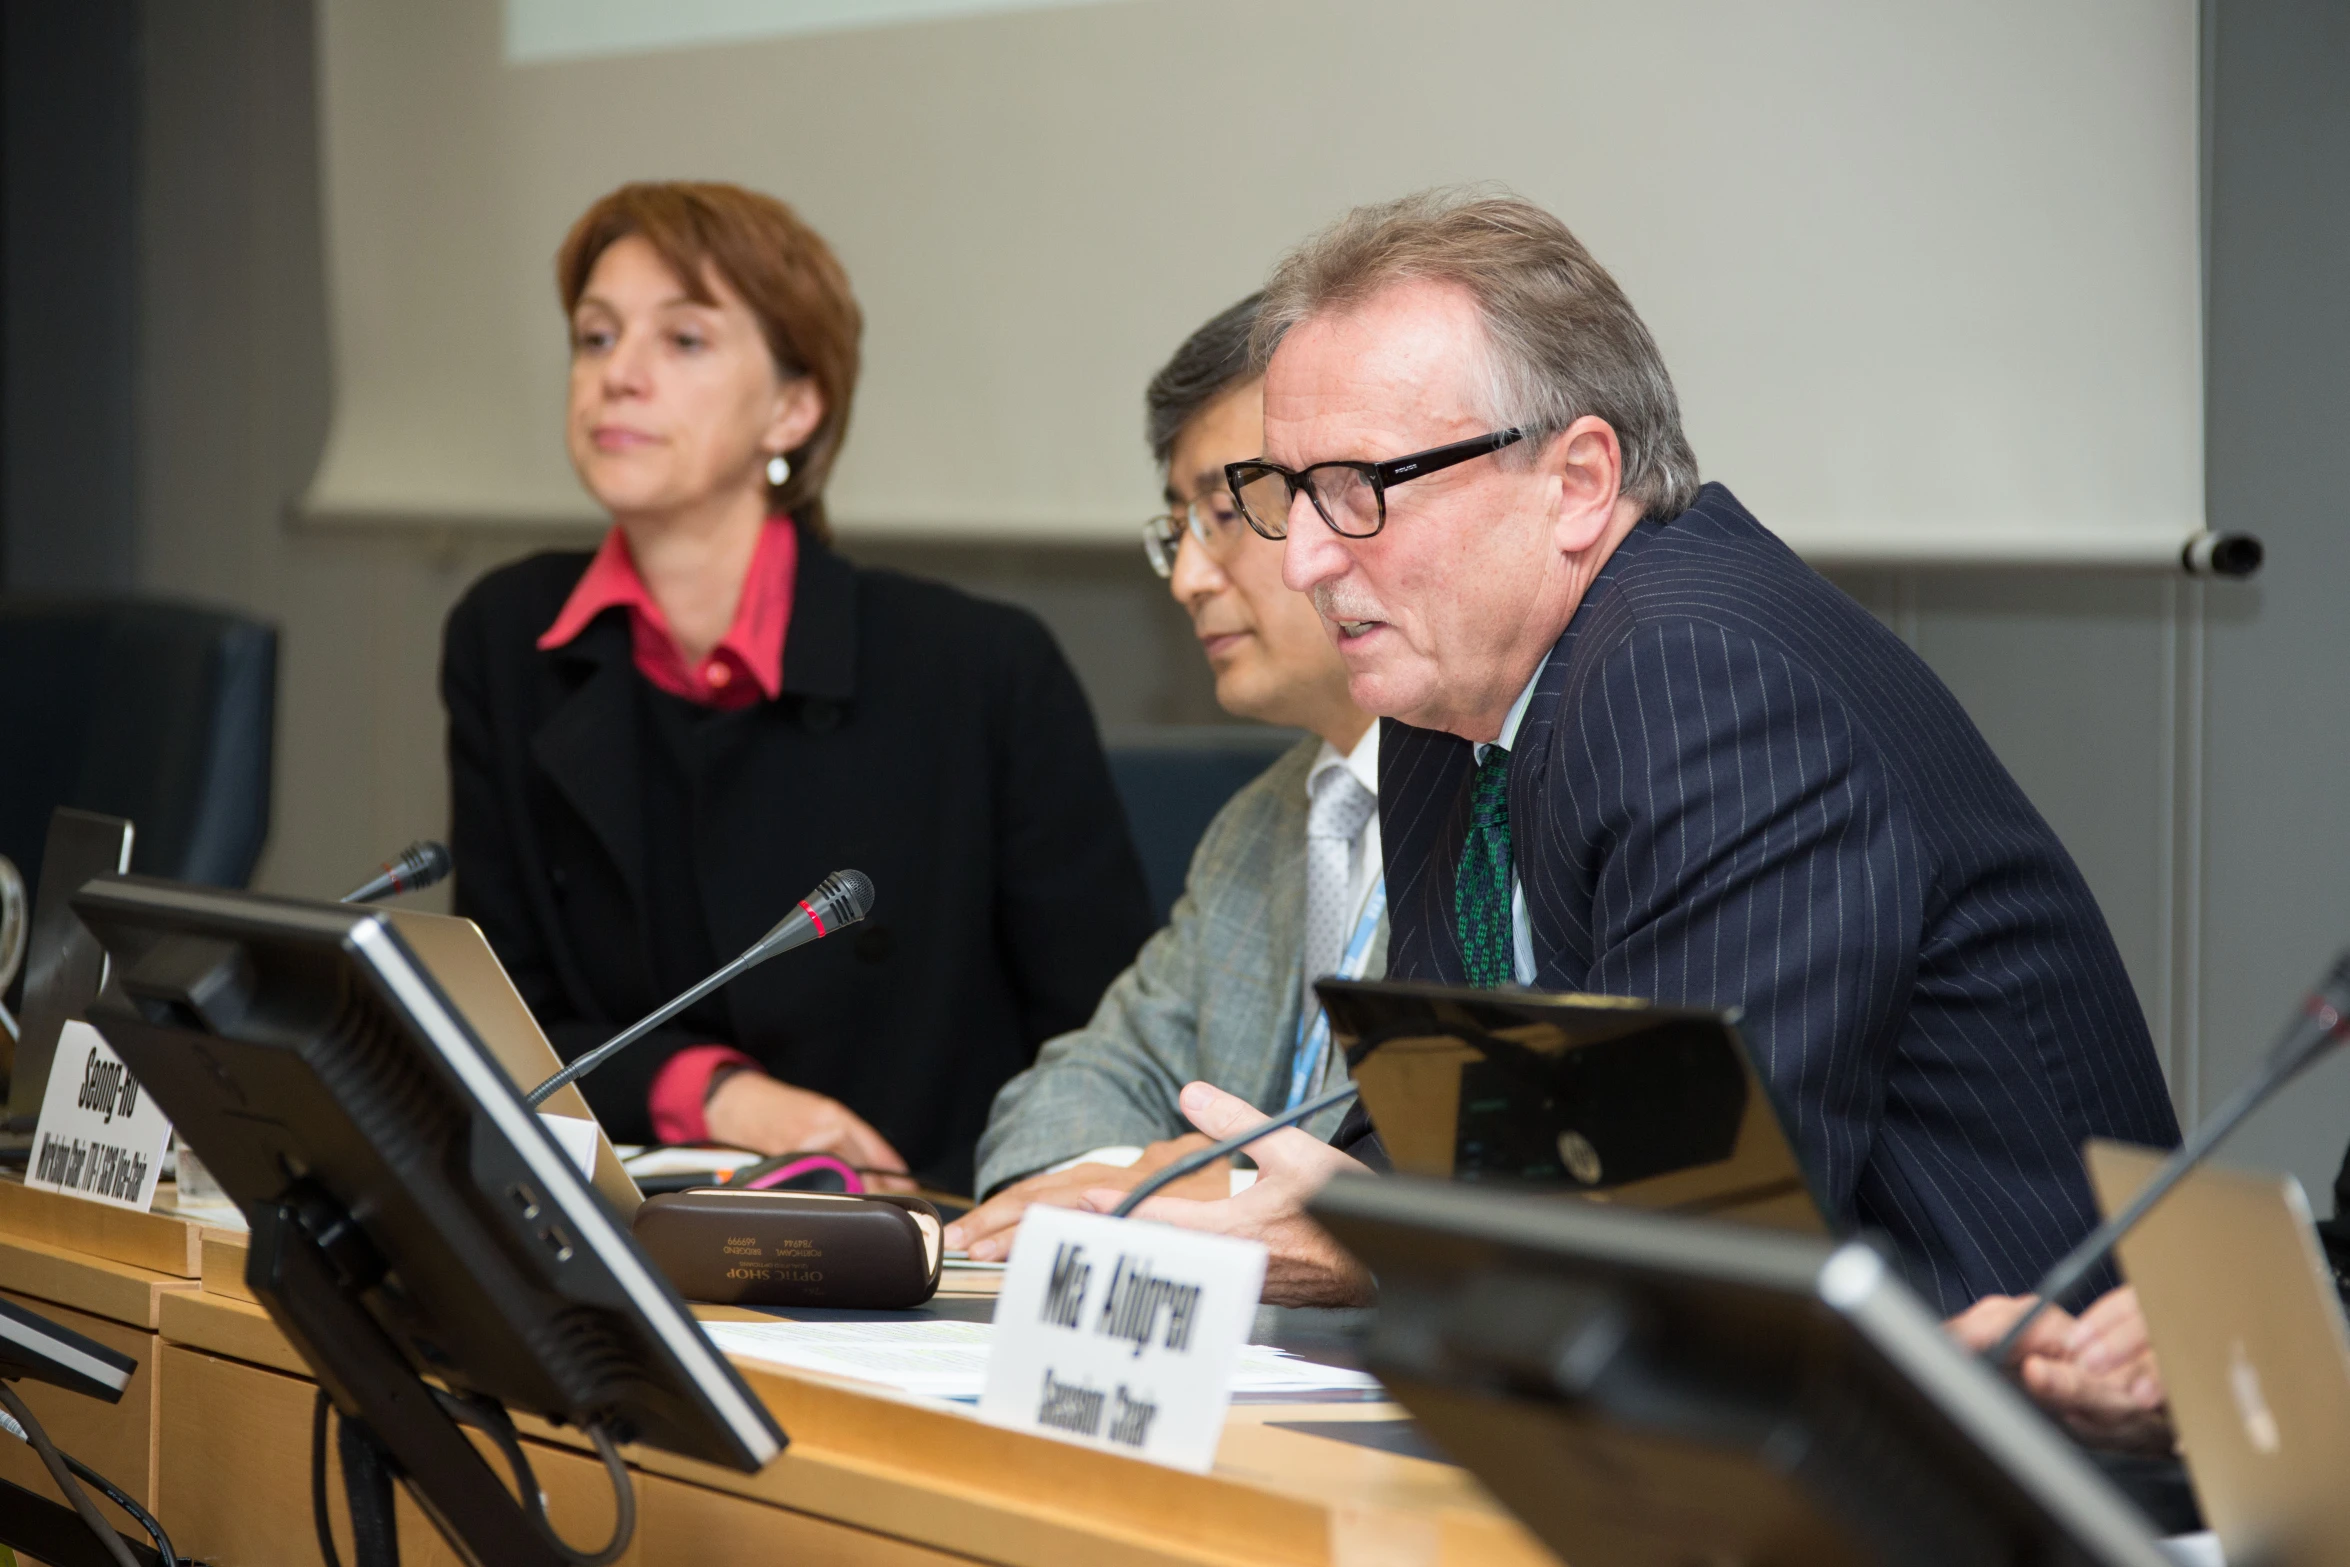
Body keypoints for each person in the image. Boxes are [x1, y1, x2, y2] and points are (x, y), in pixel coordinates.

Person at [1103, 188, 2182, 1312]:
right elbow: (1440, 1129)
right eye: (1286, 494)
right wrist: (1264, 1210)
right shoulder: (1449, 687)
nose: (1304, 560)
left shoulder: (1702, 678)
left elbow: (1688, 1213)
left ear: (1577, 482)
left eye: (1358, 489)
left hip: (2019, 1420)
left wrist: (1385, 1238)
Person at [441, 181, 1152, 1193]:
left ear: (793, 406)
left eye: (683, 342)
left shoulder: (978, 668)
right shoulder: (509, 639)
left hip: (928, 1240)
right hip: (626, 1217)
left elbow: (1104, 1042)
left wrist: (970, 1214)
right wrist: (719, 1095)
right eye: (595, 338)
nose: (619, 376)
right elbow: (499, 1013)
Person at [945, 296, 1384, 1264]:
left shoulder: (1512, 800)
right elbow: (1061, 1096)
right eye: (1177, 527)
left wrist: (1197, 1182)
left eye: (1224, 515)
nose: (1186, 576)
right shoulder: (1263, 824)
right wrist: (1146, 1186)